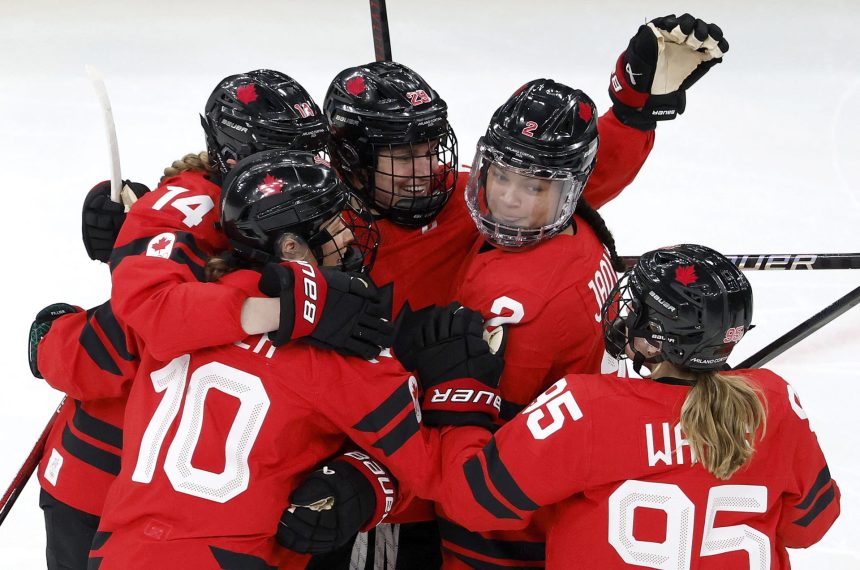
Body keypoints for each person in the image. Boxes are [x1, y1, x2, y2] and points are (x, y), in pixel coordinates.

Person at [37, 150, 503, 568]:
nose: (351, 233)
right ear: (292, 249)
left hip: (116, 553)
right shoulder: (342, 353)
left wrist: (47, 336)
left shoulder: (183, 313)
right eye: (335, 225)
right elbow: (441, 476)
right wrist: (461, 388)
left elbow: (86, 348)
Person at [28, 69, 391, 570]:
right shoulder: (189, 207)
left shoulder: (298, 210)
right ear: (231, 155)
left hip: (224, 504)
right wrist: (59, 343)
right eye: (285, 153)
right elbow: (132, 333)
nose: (305, 168)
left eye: (313, 151)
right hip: (107, 487)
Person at [286, 244, 841, 569]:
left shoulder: (591, 406)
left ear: (649, 337)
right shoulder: (774, 403)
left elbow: (474, 500)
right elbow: (811, 526)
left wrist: (465, 394)